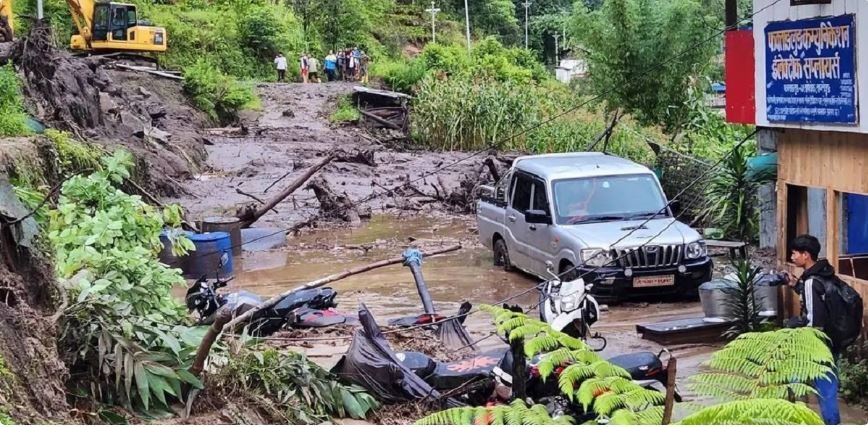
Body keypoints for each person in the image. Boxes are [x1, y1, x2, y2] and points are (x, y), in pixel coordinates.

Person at [784, 234, 841, 425]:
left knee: (796, 380)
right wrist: (796, 286)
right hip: (832, 340)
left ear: (806, 255)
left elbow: (814, 322)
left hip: (814, 344)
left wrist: (795, 325)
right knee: (828, 388)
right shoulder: (825, 274)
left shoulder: (810, 282)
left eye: (794, 253)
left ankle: (801, 418)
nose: (792, 257)